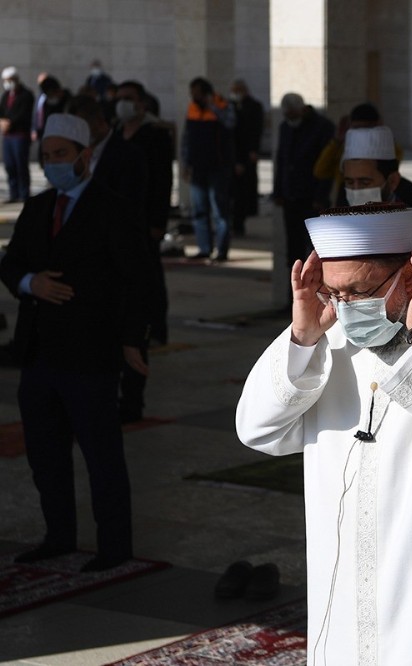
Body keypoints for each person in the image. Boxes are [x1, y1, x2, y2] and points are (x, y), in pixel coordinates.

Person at [235, 202, 412, 665]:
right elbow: (256, 430)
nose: (345, 307)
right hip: (344, 588)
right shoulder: (325, 337)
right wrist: (301, 337)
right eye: (333, 294)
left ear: (410, 278)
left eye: (358, 292)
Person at [0, 114, 151, 572]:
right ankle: (59, 535)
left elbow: (136, 281)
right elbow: (11, 265)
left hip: (91, 352)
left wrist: (131, 343)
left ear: (84, 156)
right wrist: (31, 282)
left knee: (101, 455)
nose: (53, 164)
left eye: (61, 155)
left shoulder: (114, 209)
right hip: (40, 353)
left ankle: (114, 546)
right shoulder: (38, 207)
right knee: (45, 455)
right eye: (46, 157)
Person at [70, 95, 153, 424]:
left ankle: (132, 401)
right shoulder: (81, 157)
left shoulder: (127, 154)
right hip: (93, 261)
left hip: (123, 253)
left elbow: (134, 205)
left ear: (96, 122)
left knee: (131, 331)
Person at [341, 126, 412, 299]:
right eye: (350, 182)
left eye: (365, 182)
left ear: (393, 181)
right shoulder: (334, 232)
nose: (355, 190)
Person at [115, 80, 173, 345]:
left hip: (146, 218)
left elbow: (162, 181)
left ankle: (157, 327)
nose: (122, 103)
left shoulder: (155, 134)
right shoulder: (117, 132)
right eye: (119, 98)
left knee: (150, 276)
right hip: (122, 218)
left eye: (128, 98)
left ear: (141, 102)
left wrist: (158, 221)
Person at [272, 92, 334, 274]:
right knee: (294, 249)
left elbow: (327, 166)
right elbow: (281, 160)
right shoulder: (285, 127)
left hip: (311, 196)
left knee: (314, 247)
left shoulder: (323, 127)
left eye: (292, 115)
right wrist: (278, 192)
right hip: (290, 196)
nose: (289, 119)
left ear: (301, 109)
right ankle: (293, 297)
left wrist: (321, 197)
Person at [181, 76, 235, 261]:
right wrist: (185, 163)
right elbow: (186, 139)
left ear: (206, 93)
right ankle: (204, 248)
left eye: (196, 93)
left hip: (218, 167)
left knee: (219, 211)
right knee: (199, 210)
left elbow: (230, 123)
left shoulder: (222, 105)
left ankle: (221, 250)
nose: (193, 97)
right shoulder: (192, 109)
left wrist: (213, 106)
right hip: (198, 167)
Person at [229, 79, 264, 237]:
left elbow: (255, 131)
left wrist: (253, 151)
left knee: (243, 192)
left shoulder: (254, 107)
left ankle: (239, 222)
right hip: (232, 154)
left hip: (246, 154)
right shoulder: (230, 107)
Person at [1, 66, 35, 203]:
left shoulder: (26, 94)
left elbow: (23, 114)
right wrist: (2, 122)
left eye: (10, 80)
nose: (8, 83)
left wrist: (9, 123)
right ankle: (13, 193)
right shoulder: (5, 95)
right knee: (9, 165)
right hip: (8, 137)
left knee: (21, 165)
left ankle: (24, 194)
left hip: (20, 136)